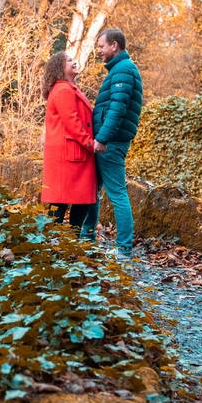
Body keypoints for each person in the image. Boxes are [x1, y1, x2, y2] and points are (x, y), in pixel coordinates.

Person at [80, 28, 143, 256]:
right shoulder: (118, 70)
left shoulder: (124, 70)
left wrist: (102, 138)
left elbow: (117, 109)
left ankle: (124, 248)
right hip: (106, 142)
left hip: (111, 143)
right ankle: (86, 235)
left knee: (116, 193)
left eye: (101, 46)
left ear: (114, 45)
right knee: (91, 190)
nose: (99, 51)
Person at [40, 51, 96, 230]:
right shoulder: (63, 90)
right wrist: (89, 143)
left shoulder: (66, 88)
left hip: (69, 153)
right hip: (71, 154)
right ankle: (67, 246)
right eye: (69, 60)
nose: (74, 62)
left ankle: (63, 247)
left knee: (64, 201)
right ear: (59, 68)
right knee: (69, 202)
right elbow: (72, 122)